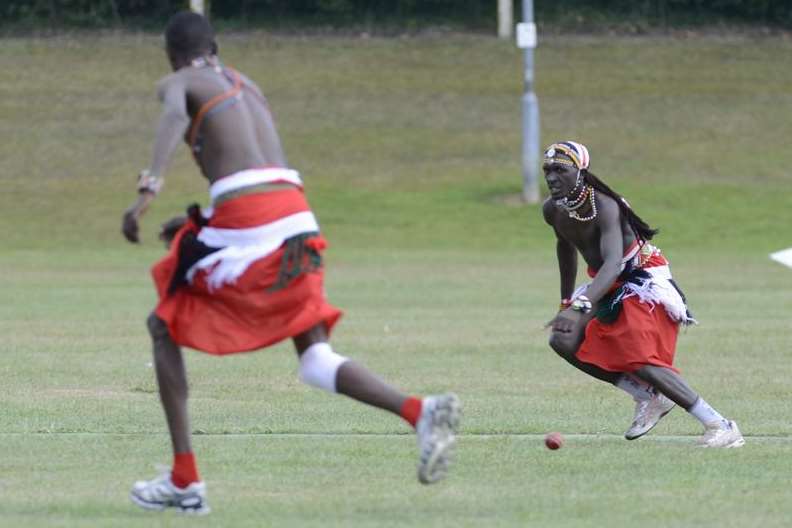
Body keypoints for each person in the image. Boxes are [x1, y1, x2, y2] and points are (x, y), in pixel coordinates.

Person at [121, 11, 460, 515]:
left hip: (251, 217)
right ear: (213, 46)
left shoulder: (178, 79)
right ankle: (420, 411)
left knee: (162, 324)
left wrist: (148, 188)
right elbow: (253, 167)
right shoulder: (247, 84)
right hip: (295, 214)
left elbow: (174, 115)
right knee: (314, 357)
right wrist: (207, 222)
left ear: (171, 54)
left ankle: (184, 480)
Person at [542, 140, 743, 448]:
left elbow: (612, 264)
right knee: (561, 338)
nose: (552, 177)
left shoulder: (606, 205)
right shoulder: (552, 210)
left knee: (641, 359)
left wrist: (580, 304)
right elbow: (565, 247)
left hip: (641, 278)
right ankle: (648, 395)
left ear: (581, 171)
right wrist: (565, 302)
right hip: (606, 283)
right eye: (547, 170)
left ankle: (720, 425)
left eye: (560, 169)